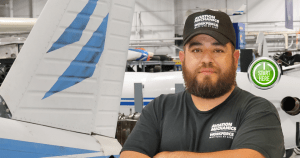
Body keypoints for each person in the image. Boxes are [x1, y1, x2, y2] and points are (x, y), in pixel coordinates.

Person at [120, 10, 285, 158]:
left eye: (218, 50)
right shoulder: (160, 108)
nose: (207, 59)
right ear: (183, 59)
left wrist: (170, 157)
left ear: (235, 59)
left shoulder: (259, 111)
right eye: (197, 50)